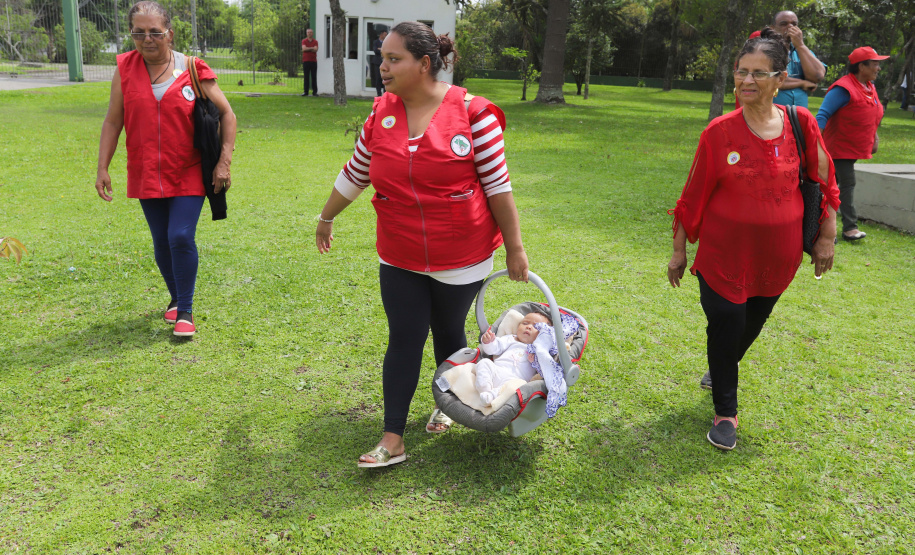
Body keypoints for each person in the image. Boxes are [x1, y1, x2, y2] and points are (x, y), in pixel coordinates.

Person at [315, 21, 529, 468]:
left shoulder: (474, 113)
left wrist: (515, 248)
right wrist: (327, 216)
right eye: (382, 57)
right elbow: (356, 171)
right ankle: (393, 437)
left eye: (394, 59)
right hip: (400, 253)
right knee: (405, 336)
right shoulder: (380, 113)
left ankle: (446, 399)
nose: (383, 67)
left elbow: (498, 187)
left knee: (449, 332)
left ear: (425, 64)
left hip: (462, 255)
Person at [667, 28, 839, 451]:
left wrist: (827, 236)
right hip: (724, 254)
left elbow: (825, 179)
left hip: (777, 259)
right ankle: (726, 412)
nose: (746, 81)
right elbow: (693, 195)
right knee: (727, 323)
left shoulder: (800, 124)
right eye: (741, 72)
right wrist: (678, 250)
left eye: (758, 74)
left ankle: (721, 365)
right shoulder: (719, 132)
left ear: (780, 79)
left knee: (750, 324)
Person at [95, 1, 236, 337]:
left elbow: (228, 115)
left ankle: (185, 311)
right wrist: (102, 166)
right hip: (145, 169)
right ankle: (176, 297)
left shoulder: (192, 68)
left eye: (155, 32)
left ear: (169, 34)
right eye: (139, 33)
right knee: (161, 241)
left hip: (187, 168)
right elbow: (114, 121)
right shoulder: (125, 68)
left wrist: (224, 162)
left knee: (180, 235)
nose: (147, 39)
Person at [816, 46, 888, 242]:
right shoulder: (843, 88)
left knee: (826, 187)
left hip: (851, 148)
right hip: (837, 148)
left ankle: (818, 226)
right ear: (861, 66)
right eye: (874, 64)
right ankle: (849, 227)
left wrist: (875, 137)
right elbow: (822, 116)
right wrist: (814, 145)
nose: (878, 68)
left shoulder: (868, 86)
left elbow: (873, 114)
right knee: (847, 184)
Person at [475, 313, 550, 406]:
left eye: (536, 327)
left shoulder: (540, 351)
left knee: (518, 386)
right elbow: (493, 349)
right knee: (484, 363)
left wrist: (535, 362)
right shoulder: (510, 339)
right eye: (525, 323)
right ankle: (484, 390)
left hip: (514, 380)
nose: (529, 327)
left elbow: (543, 373)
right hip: (497, 371)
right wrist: (488, 342)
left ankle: (491, 396)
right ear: (518, 326)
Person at [771, 10, 826, 108]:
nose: (790, 27)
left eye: (794, 24)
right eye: (784, 24)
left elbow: (817, 76)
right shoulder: (766, 50)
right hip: (772, 115)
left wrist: (800, 45)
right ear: (773, 28)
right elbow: (772, 79)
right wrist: (802, 83)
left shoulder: (801, 50)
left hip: (799, 117)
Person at [301, 28, 318, 97]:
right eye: (308, 32)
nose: (309, 34)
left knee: (314, 77)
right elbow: (304, 49)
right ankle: (306, 92)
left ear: (312, 33)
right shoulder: (304, 41)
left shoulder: (315, 41)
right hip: (306, 61)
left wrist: (308, 48)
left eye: (310, 32)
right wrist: (311, 48)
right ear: (306, 33)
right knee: (306, 77)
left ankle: (314, 92)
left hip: (313, 61)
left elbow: (315, 49)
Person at [371, 30, 387, 97]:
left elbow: (387, 51)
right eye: (385, 34)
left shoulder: (386, 42)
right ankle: (379, 94)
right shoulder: (376, 42)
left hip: (385, 63)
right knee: (378, 78)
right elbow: (376, 51)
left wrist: (381, 49)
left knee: (385, 78)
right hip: (377, 63)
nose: (386, 36)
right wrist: (382, 50)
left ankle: (385, 94)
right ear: (381, 34)